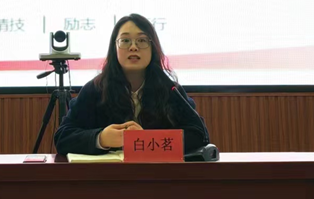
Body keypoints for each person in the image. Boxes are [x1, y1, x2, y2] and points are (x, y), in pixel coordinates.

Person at [54, 13, 209, 155]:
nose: (133, 47)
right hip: (107, 174)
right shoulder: (95, 89)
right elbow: (63, 137)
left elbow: (199, 135)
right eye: (125, 41)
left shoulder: (170, 89)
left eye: (142, 40)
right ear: (114, 48)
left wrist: (147, 140)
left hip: (157, 173)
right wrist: (101, 138)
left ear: (153, 48)